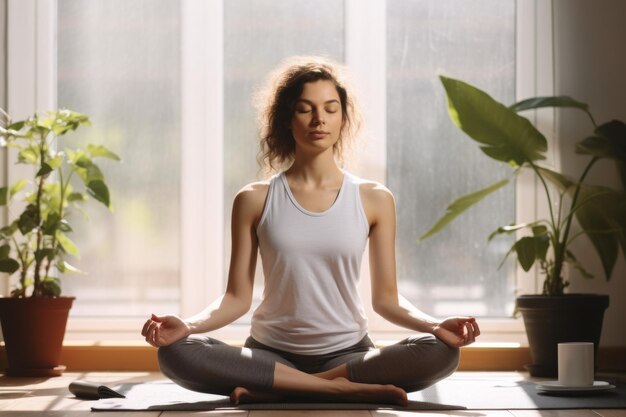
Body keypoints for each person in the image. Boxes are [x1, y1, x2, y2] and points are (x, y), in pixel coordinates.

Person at [141, 56, 480, 406]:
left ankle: (286, 388)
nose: (319, 120)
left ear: (343, 118)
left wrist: (434, 325)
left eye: (330, 109)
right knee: (175, 353)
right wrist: (188, 326)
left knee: (441, 352)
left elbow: (386, 300)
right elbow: (236, 299)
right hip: (270, 356)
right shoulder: (254, 199)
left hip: (349, 357)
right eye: (305, 109)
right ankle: (339, 390)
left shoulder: (374, 199)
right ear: (287, 119)